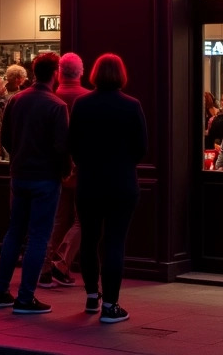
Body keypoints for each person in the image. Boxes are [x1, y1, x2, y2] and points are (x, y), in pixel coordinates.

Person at [69, 54, 148, 324]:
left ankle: (92, 296)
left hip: (89, 182)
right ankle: (111, 305)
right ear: (121, 75)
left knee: (90, 240)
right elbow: (141, 147)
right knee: (115, 241)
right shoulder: (131, 105)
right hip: (121, 182)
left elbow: (73, 144)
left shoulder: (82, 104)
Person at [0, 52, 69, 314]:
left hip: (19, 174)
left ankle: (0, 290)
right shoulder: (57, 105)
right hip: (45, 177)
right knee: (38, 236)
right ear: (55, 73)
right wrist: (64, 170)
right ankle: (25, 297)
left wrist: (18, 158)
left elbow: (7, 137)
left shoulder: (16, 101)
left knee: (14, 231)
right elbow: (61, 147)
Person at [41, 52, 90, 289]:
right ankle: (62, 262)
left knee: (57, 220)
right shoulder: (87, 99)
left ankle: (44, 266)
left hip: (55, 168)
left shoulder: (51, 97)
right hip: (83, 168)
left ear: (59, 73)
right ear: (81, 73)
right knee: (82, 220)